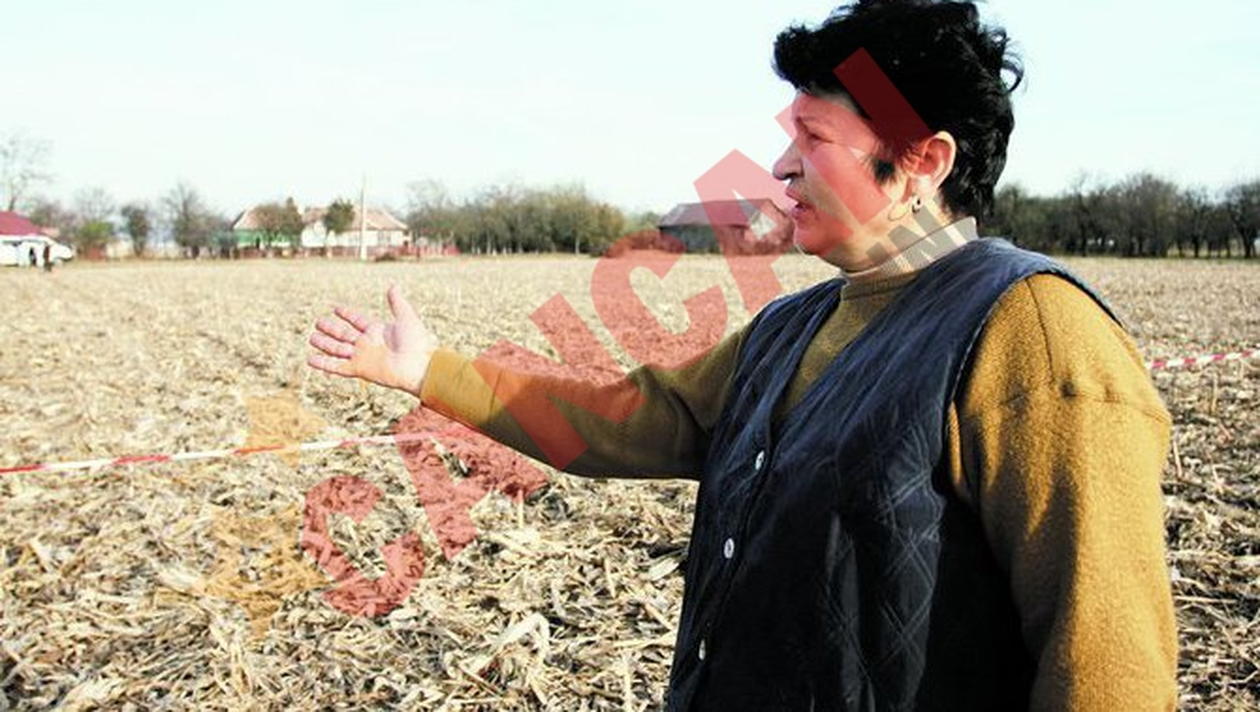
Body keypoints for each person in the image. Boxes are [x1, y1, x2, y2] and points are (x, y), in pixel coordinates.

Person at [308, 1, 1176, 708]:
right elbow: (625, 420)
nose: (781, 168)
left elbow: (1107, 664)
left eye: (814, 138)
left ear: (923, 160)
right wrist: (429, 372)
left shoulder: (1032, 330)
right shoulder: (790, 327)